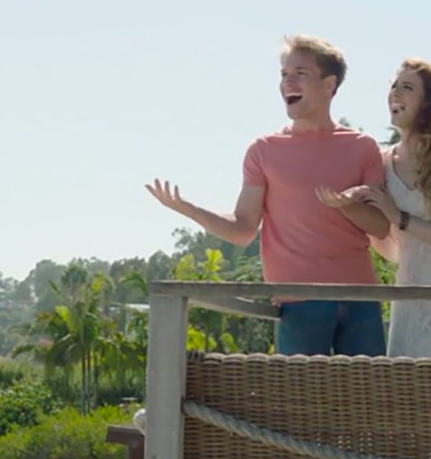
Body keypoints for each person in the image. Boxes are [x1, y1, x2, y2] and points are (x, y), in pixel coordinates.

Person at [146, 34, 390, 356]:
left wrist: (346, 207)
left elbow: (381, 227)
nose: (288, 81)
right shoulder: (264, 151)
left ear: (329, 85)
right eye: (283, 74)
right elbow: (243, 228)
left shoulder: (363, 147)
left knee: (368, 399)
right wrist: (189, 209)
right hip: (297, 302)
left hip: (361, 298)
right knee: (297, 400)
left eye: (299, 73)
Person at [320, 58, 431, 359]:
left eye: (407, 87)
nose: (395, 94)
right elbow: (394, 250)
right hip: (411, 297)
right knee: (408, 395)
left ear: (428, 102)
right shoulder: (383, 162)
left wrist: (399, 217)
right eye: (394, 86)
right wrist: (354, 208)